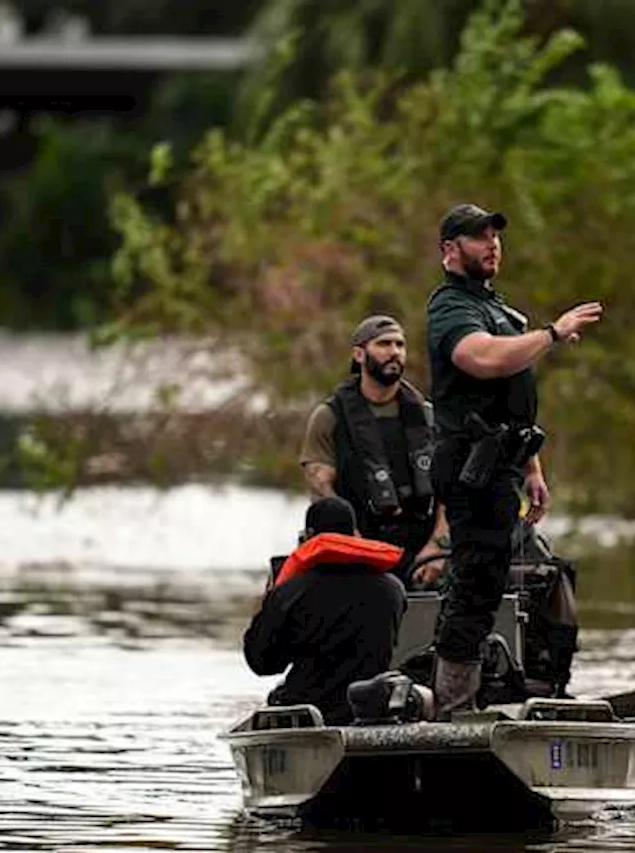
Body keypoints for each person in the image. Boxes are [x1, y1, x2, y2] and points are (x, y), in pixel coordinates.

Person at [425, 202, 603, 718]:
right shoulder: (451, 307)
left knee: (489, 578)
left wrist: (533, 470)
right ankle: (455, 706)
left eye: (496, 237)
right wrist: (551, 333)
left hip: (503, 467)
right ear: (450, 251)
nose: (493, 245)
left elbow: (513, 400)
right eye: (479, 238)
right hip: (468, 467)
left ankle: (469, 696)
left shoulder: (499, 309)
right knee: (475, 582)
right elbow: (481, 359)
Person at [299, 315, 450, 588]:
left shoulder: (427, 416)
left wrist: (438, 547)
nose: (394, 351)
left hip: (423, 551)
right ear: (359, 354)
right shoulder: (329, 417)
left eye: (400, 345)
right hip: (356, 549)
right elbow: (321, 489)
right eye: (383, 344)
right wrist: (353, 546)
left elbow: (450, 491)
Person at [242, 496, 408, 725]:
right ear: (355, 534)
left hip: (307, 713)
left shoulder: (291, 592)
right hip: (369, 709)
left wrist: (265, 603)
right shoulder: (393, 589)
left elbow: (262, 663)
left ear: (308, 536)